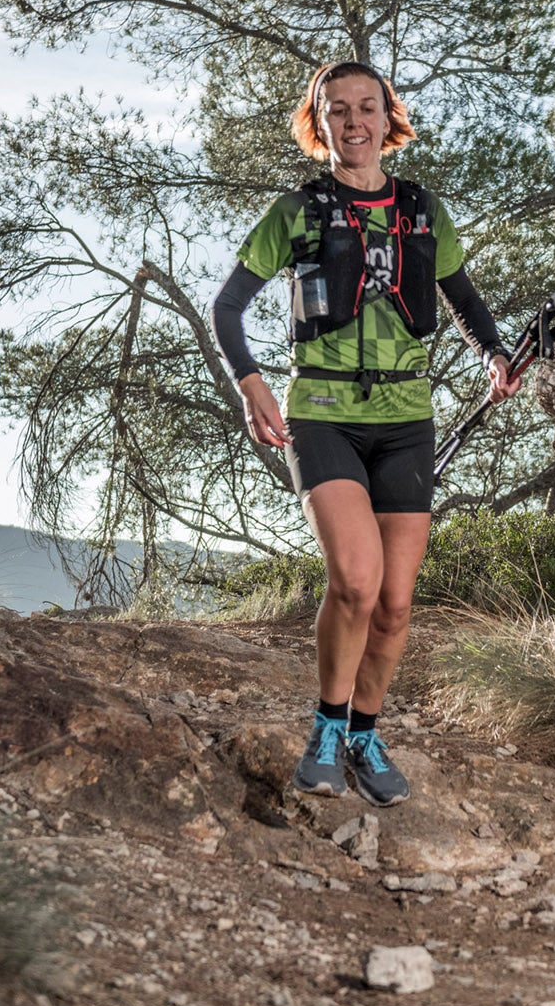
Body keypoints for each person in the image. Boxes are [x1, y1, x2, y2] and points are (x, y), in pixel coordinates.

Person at [209, 60, 520, 806]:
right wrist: (252, 382)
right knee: (354, 579)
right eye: (338, 110)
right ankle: (325, 724)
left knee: (396, 603)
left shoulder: (422, 211)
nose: (354, 121)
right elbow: (228, 308)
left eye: (367, 108)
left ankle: (364, 733)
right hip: (322, 412)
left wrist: (495, 354)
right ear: (320, 126)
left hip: (407, 421)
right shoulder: (299, 212)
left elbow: (464, 299)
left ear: (389, 118)